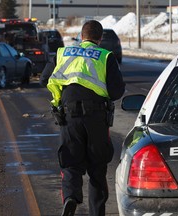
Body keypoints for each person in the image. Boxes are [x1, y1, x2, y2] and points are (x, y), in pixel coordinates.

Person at [46, 20, 125, 216]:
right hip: (97, 118)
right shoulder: (106, 57)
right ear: (99, 39)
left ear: (81, 36)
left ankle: (71, 197)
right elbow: (116, 91)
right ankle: (97, 212)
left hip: (69, 116)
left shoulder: (63, 53)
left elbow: (44, 78)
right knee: (97, 169)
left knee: (71, 161)